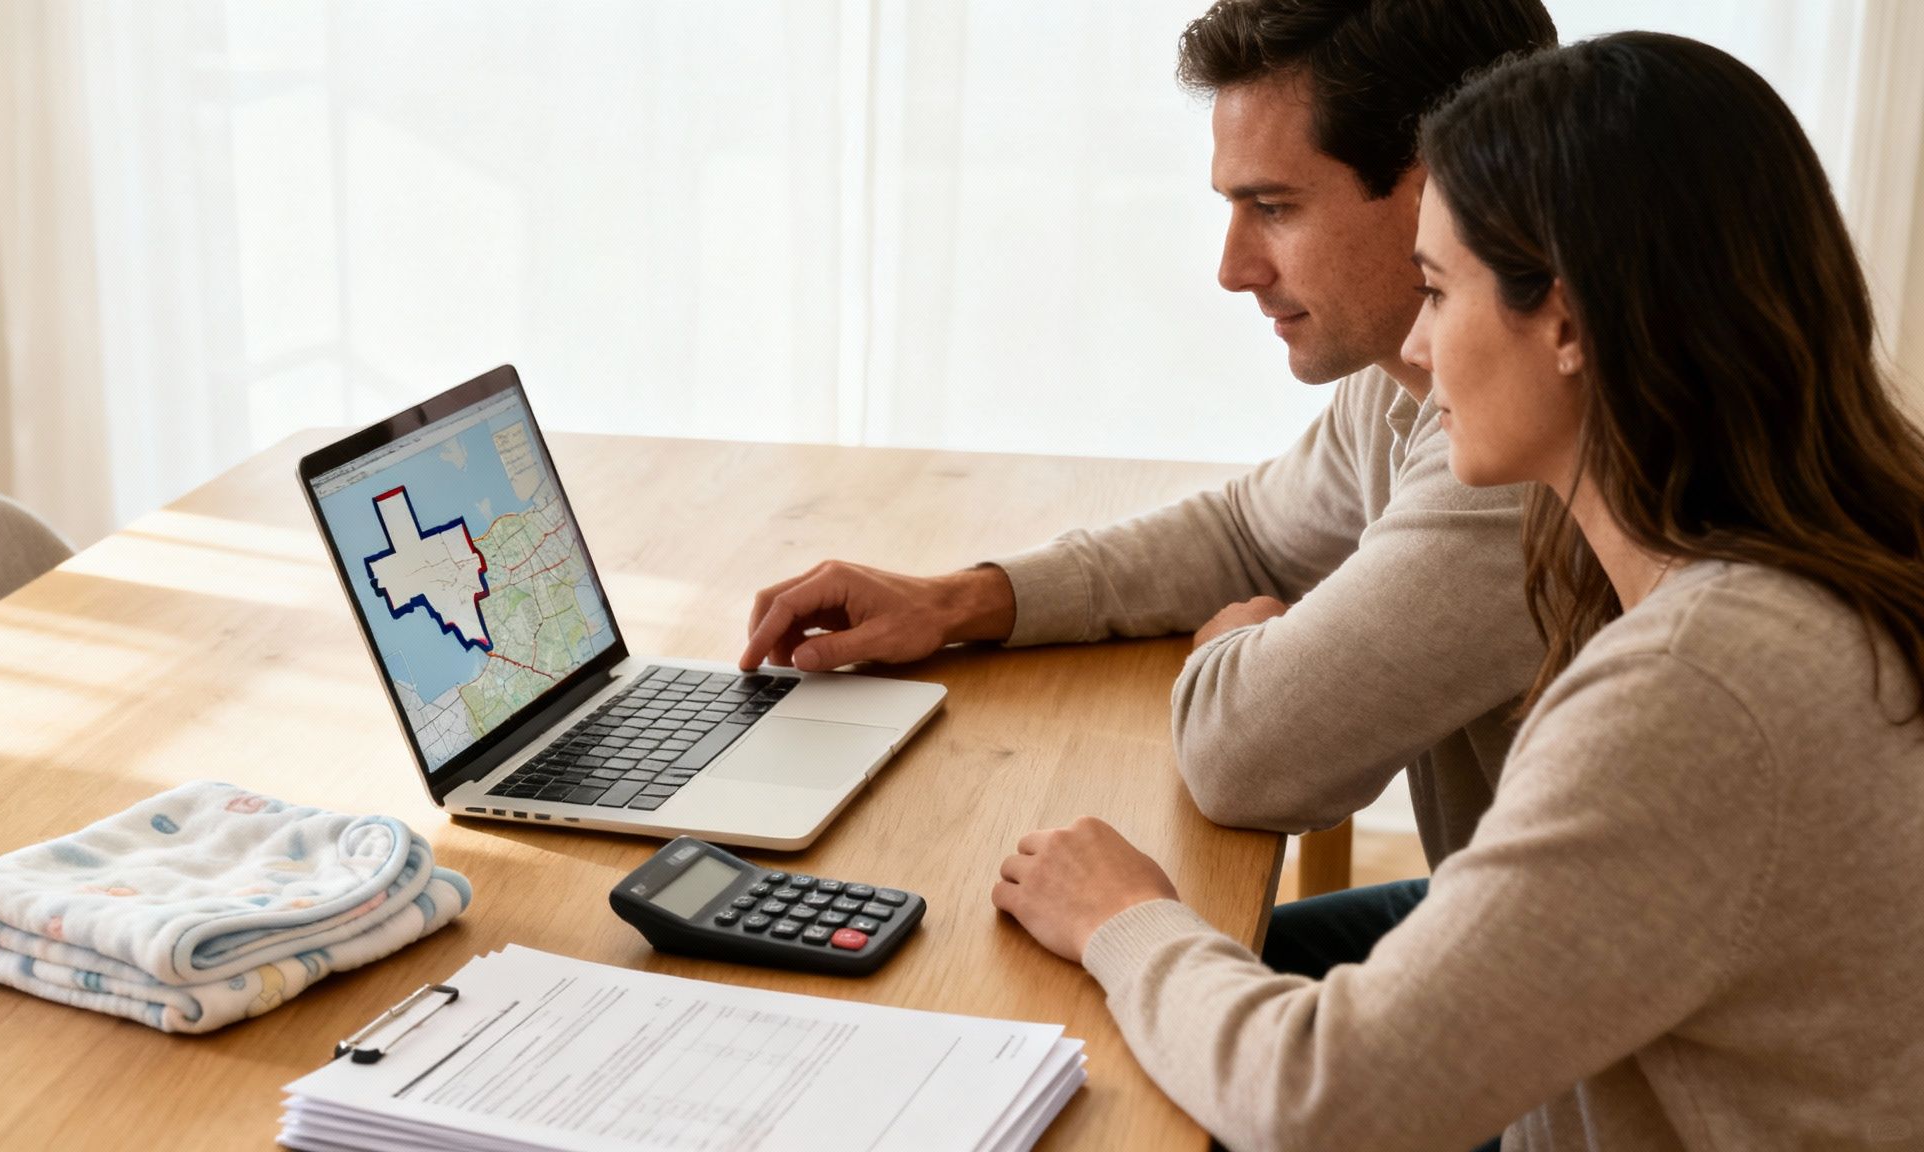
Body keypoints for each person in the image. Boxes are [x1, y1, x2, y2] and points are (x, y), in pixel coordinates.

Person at [992, 31, 1924, 1150]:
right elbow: (1250, 524)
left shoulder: (1697, 681)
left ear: (1569, 322)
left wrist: (1124, 917)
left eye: (1435, 291)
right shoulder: (1781, 560)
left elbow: (1322, 1099)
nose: (1418, 351)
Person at [742, 0, 1557, 979]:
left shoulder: (1515, 455)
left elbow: (1247, 759)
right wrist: (957, 600)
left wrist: (1236, 651)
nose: (1231, 268)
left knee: (1067, 1002)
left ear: (1444, 191)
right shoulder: (1401, 386)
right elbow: (1248, 535)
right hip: (1521, 929)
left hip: (1602, 1064)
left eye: (1274, 207)